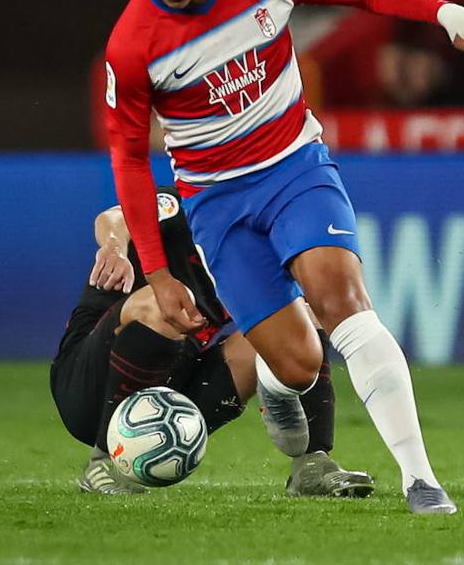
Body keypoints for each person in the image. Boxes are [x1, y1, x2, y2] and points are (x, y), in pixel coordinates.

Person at [104, 0, 464, 514]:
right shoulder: (131, 47)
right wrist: (157, 272)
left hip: (295, 169)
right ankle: (275, 378)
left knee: (343, 298)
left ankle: (420, 480)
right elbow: (127, 156)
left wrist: (445, 12)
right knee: (298, 364)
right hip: (217, 205)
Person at [49, 187, 373, 496]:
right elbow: (113, 217)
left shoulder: (257, 247)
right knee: (164, 305)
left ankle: (312, 465)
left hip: (174, 379)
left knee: (299, 320)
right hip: (88, 382)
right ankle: (102, 463)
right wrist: (115, 247)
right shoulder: (187, 206)